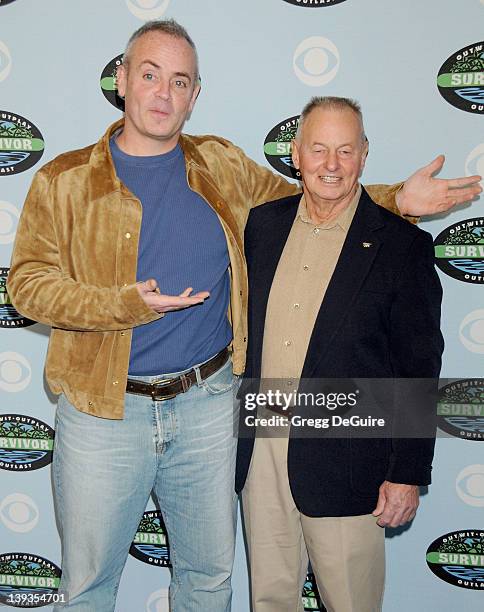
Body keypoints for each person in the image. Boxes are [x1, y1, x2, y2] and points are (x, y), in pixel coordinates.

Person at [6, 18, 479, 612]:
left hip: (208, 407)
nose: (163, 93)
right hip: (104, 411)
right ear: (121, 80)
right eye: (149, 75)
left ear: (195, 95)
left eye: (180, 82)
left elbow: (314, 195)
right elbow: (26, 285)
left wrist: (395, 200)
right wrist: (125, 304)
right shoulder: (64, 180)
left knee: (209, 580)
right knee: (89, 587)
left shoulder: (220, 165)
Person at [236, 96, 445, 612]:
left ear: (365, 155)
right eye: (319, 149)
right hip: (261, 455)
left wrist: (406, 472)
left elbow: (419, 367)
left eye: (345, 150)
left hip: (349, 460)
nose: (331, 165)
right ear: (296, 153)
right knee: (270, 599)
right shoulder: (262, 227)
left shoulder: (402, 247)